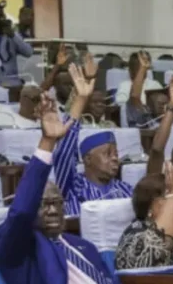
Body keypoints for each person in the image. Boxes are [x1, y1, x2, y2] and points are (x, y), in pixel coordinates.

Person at [0, 99, 126, 284]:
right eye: (43, 205)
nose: (52, 210)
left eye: (57, 203)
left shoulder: (82, 245)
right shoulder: (19, 248)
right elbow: (20, 214)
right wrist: (47, 145)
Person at [53, 64, 133, 216]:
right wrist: (81, 99)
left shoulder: (125, 190)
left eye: (116, 153)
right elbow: (63, 153)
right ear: (88, 159)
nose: (115, 158)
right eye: (108, 154)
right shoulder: (73, 187)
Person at [127, 51, 173, 129]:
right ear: (149, 107)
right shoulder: (145, 120)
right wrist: (143, 68)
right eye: (159, 103)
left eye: (164, 104)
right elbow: (135, 96)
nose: (162, 106)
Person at [0, 6, 34, 85]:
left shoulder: (12, 36)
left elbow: (29, 52)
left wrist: (13, 35)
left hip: (12, 82)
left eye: (0, 19)